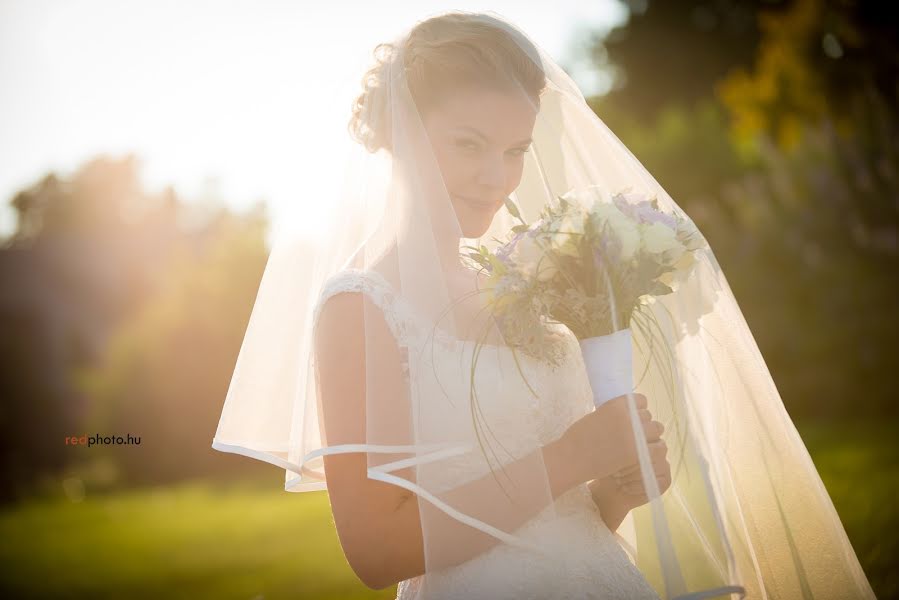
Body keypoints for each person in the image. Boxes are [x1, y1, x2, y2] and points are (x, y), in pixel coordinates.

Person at [212, 10, 877, 600]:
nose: (496, 178)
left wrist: (610, 495)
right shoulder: (360, 305)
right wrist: (573, 455)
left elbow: (555, 515)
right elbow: (375, 551)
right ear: (398, 131)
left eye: (515, 151)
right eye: (467, 144)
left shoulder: (524, 284)